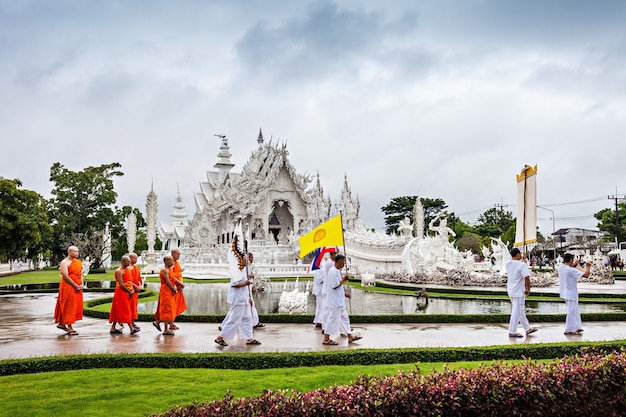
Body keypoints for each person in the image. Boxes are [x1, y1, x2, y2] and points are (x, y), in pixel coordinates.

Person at [215, 255, 260, 346]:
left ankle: (249, 338)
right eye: (245, 259)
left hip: (244, 299)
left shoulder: (244, 270)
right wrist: (245, 283)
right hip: (238, 299)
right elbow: (234, 284)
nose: (247, 260)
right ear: (241, 260)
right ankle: (220, 337)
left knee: (247, 318)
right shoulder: (237, 271)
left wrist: (248, 297)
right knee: (234, 319)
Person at [322, 254, 362, 345]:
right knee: (332, 319)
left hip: (339, 301)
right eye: (342, 261)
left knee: (344, 318)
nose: (344, 263)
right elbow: (334, 285)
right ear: (338, 261)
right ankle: (326, 338)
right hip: (334, 302)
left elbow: (337, 288)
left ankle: (350, 336)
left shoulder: (337, 271)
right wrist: (344, 279)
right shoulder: (333, 271)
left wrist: (345, 294)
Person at [505, 248, 537, 338]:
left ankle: (527, 328)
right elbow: (526, 277)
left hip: (511, 290)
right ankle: (512, 331)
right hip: (518, 291)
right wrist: (528, 289)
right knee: (516, 311)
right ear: (518, 254)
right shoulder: (522, 265)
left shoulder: (508, 264)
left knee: (520, 310)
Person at [54, 246, 84, 336]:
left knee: (75, 305)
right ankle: (70, 327)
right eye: (75, 251)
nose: (77, 253)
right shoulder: (64, 263)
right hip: (68, 287)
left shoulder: (78, 262)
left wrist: (82, 284)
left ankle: (62, 324)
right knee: (68, 306)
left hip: (78, 286)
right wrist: (75, 285)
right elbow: (66, 276)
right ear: (69, 252)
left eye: (78, 251)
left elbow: (80, 274)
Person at [559, 253, 591, 335]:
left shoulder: (561, 267)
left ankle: (577, 326)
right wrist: (588, 267)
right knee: (572, 311)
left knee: (575, 310)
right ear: (570, 260)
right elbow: (586, 275)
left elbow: (569, 268)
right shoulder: (570, 270)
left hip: (565, 292)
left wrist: (575, 264)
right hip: (571, 292)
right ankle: (569, 329)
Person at [108, 255, 138, 335]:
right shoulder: (119, 271)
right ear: (123, 262)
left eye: (129, 261)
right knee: (126, 309)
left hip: (128, 291)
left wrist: (135, 287)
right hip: (121, 292)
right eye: (128, 261)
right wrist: (129, 291)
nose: (129, 262)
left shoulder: (128, 270)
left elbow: (129, 281)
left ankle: (113, 327)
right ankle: (131, 328)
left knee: (118, 310)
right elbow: (121, 284)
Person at [155, 255, 178, 335]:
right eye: (170, 260)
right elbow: (167, 281)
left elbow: (173, 279)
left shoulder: (170, 269)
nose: (172, 262)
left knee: (170, 308)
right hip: (165, 290)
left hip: (169, 290)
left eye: (172, 260)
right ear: (166, 262)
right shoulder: (164, 270)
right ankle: (165, 329)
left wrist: (179, 284)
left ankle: (158, 322)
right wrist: (173, 288)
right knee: (166, 308)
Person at [170, 248, 187, 330]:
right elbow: (172, 277)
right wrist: (180, 284)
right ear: (173, 254)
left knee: (176, 305)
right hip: (174, 287)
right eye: (178, 254)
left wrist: (181, 284)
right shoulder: (170, 263)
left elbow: (179, 274)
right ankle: (169, 323)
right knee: (172, 306)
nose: (179, 256)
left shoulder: (177, 263)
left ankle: (171, 323)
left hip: (178, 287)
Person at [128, 252, 142, 330]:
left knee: (134, 307)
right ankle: (130, 323)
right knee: (129, 307)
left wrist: (139, 285)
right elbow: (127, 280)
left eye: (136, 258)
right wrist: (135, 286)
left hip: (136, 290)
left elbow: (139, 278)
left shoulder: (136, 267)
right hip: (130, 290)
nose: (136, 260)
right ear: (130, 258)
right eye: (135, 258)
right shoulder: (127, 268)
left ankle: (132, 321)